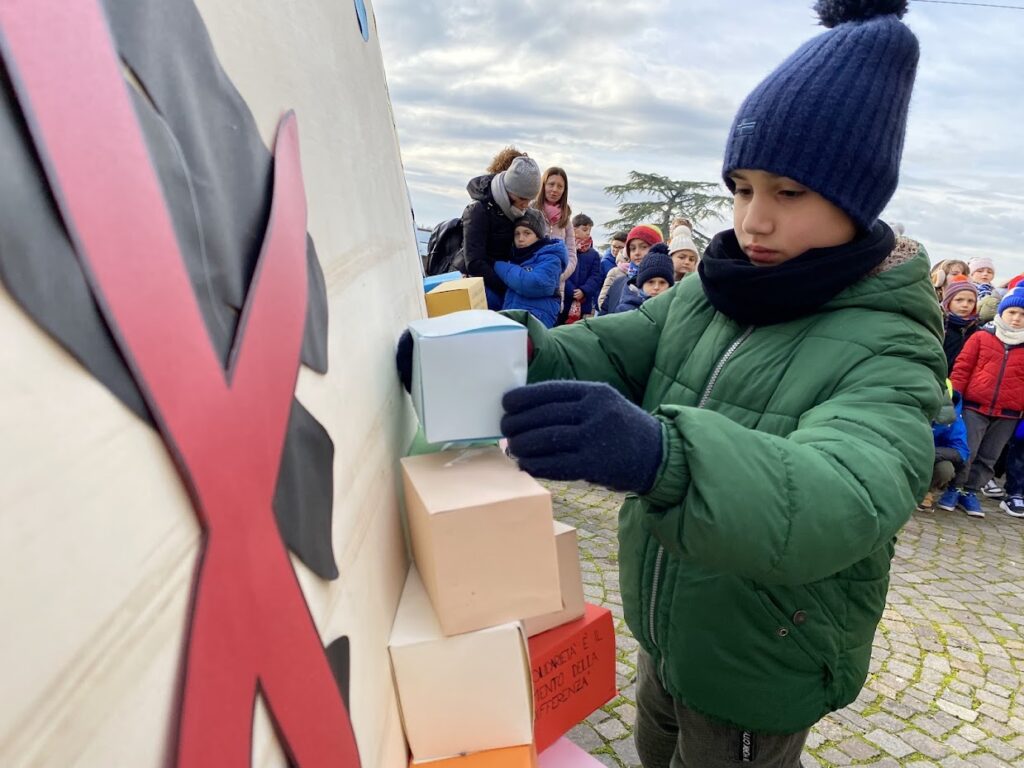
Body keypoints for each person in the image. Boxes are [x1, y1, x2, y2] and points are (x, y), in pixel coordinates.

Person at [492, 5, 945, 766]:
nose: (753, 220)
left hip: (760, 663)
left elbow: (842, 492)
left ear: (858, 197)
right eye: (740, 188)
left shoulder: (892, 340)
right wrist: (509, 352)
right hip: (668, 632)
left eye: (788, 193)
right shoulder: (715, 288)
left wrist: (663, 458)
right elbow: (614, 346)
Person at [937, 287, 1024, 518]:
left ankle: (970, 491)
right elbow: (963, 368)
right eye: (1013, 312)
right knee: (968, 450)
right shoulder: (982, 336)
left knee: (989, 456)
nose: (1016, 318)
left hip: (1009, 412)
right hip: (974, 405)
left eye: (1023, 314)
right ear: (1003, 313)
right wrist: (955, 397)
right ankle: (953, 488)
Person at [460, 155, 542, 309]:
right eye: (522, 198)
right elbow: (474, 262)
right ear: (509, 190)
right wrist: (509, 285)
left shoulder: (518, 212)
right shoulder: (478, 210)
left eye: (530, 200)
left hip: (508, 283)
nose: (526, 205)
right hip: (484, 288)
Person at [492, 208, 568, 329]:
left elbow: (533, 283)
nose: (521, 239)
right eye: (517, 234)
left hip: (534, 324)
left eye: (527, 233)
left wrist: (497, 265)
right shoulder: (515, 258)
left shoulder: (552, 259)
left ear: (538, 236)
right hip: (515, 322)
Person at [918, 383, 969, 512]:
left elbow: (962, 451)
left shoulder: (955, 419)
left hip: (933, 457)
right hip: (908, 453)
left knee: (946, 469)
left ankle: (927, 492)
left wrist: (933, 454)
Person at [532, 167, 577, 302]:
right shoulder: (530, 212)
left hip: (555, 289)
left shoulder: (566, 221)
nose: (555, 190)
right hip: (530, 281)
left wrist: (558, 275)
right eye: (551, 184)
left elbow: (572, 256)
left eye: (560, 186)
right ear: (543, 185)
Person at [597, 224, 662, 314]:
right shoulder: (618, 282)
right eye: (632, 248)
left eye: (643, 247)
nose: (637, 253)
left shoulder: (661, 286)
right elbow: (604, 315)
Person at [561, 213, 604, 323]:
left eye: (589, 230)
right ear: (574, 230)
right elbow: (562, 271)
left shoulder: (594, 254)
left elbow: (596, 276)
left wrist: (584, 290)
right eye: (585, 229)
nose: (588, 233)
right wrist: (571, 290)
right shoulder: (565, 249)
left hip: (583, 302)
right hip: (564, 298)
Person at [612, 248, 675, 313]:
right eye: (651, 282)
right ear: (641, 284)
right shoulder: (625, 310)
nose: (656, 287)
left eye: (662, 282)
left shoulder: (675, 310)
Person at [940, 276, 979, 374]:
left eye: (970, 301)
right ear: (948, 301)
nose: (965, 305)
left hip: (960, 381)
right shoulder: (939, 325)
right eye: (959, 300)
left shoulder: (977, 330)